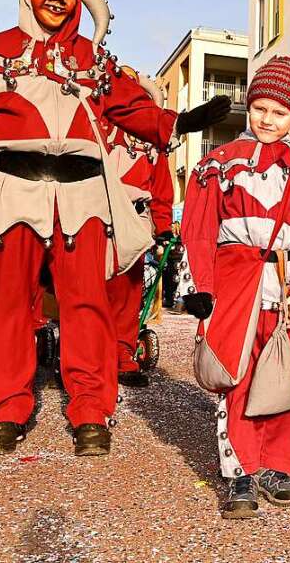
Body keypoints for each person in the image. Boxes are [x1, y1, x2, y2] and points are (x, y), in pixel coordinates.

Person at [0, 0, 230, 457]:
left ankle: (92, 408)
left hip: (82, 196)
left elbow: (133, 110)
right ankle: (6, 408)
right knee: (6, 304)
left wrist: (178, 123)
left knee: (87, 303)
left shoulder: (94, 61)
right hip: (11, 192)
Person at [179, 55, 290, 520]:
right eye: (260, 108)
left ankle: (277, 465)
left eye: (280, 112)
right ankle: (240, 471)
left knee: (282, 374)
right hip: (232, 285)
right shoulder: (217, 165)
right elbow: (199, 231)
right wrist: (202, 289)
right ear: (249, 107)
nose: (268, 120)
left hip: (285, 286)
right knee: (238, 376)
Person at [104, 67, 175, 389]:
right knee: (91, 290)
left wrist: (162, 228)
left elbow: (161, 190)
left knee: (129, 294)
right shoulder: (101, 131)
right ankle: (86, 356)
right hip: (98, 216)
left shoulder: (152, 145)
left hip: (134, 222)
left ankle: (122, 355)